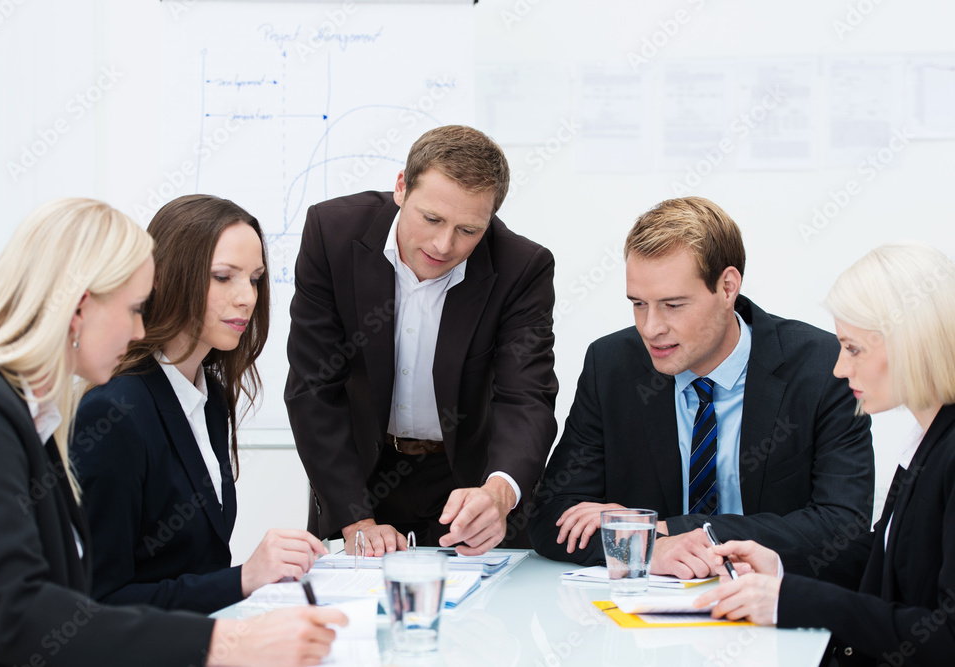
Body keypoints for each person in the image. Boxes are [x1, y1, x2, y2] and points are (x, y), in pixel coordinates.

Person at [0, 198, 345, 666]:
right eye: (136, 308)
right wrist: (225, 643)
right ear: (79, 307)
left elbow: (69, 604)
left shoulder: (39, 420)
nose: (141, 330)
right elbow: (5, 614)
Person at [528, 196, 874, 582]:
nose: (650, 327)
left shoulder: (822, 367)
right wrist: (647, 550)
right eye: (639, 303)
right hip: (646, 622)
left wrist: (668, 529)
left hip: (775, 608)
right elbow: (552, 516)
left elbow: (843, 527)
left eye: (673, 305)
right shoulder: (611, 366)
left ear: (727, 287)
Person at [285, 125, 558, 556]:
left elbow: (526, 398)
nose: (442, 244)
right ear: (401, 188)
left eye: (468, 230)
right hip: (360, 478)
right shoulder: (332, 234)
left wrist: (499, 493)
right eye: (431, 218)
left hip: (470, 484)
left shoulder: (522, 268)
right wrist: (355, 517)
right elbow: (313, 388)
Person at [696, 241, 955, 666]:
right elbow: (887, 558)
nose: (839, 368)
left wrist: (794, 600)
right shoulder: (928, 440)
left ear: (913, 342)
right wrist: (780, 567)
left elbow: (946, 639)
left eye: (853, 348)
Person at [71, 194, 326, 613]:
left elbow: (194, 568)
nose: (247, 297)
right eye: (224, 277)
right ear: (171, 278)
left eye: (256, 278)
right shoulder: (116, 412)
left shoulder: (209, 399)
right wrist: (244, 578)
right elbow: (99, 602)